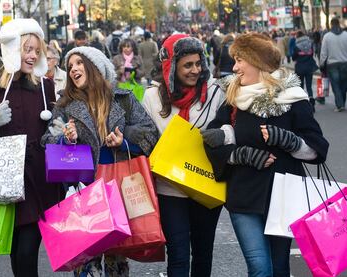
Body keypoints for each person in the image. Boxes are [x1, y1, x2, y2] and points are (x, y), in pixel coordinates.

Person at [203, 33, 329, 277]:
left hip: (283, 198)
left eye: (240, 60)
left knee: (279, 267)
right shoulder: (233, 99)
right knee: (260, 268)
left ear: (258, 62)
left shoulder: (294, 99)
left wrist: (289, 141)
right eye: (235, 61)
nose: (235, 67)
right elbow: (212, 140)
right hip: (243, 197)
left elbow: (318, 149)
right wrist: (241, 155)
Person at [41, 46, 159, 276]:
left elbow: (150, 133)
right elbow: (47, 141)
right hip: (84, 194)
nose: (73, 68)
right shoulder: (65, 107)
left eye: (78, 63)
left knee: (117, 262)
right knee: (87, 265)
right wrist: (66, 139)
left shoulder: (123, 99)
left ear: (94, 67)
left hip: (118, 189)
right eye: (70, 66)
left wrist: (125, 140)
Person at [0, 18, 64, 276]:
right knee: (16, 250)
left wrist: (60, 131)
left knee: (28, 251)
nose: (32, 56)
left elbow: (51, 129)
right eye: (27, 49)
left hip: (38, 182)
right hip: (2, 178)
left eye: (37, 51)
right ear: (12, 49)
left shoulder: (45, 86)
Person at [141, 34, 225, 277]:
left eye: (199, 64)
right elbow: (148, 140)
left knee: (202, 253)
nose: (195, 70)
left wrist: (223, 134)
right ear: (170, 66)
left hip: (206, 186)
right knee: (177, 255)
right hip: (170, 188)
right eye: (188, 65)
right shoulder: (152, 97)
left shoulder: (215, 94)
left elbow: (230, 129)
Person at [320, 17, 347, 112]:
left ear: (331, 25)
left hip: (332, 64)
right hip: (345, 63)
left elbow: (323, 52)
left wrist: (322, 63)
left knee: (336, 85)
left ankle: (340, 105)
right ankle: (342, 102)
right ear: (339, 24)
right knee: (344, 85)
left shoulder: (327, 36)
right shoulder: (345, 35)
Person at [292, 30, 318, 112]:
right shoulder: (310, 44)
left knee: (301, 87)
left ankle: (303, 105)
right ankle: (311, 101)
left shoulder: (297, 46)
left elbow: (294, 57)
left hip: (300, 68)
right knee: (309, 86)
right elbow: (312, 54)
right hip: (309, 68)